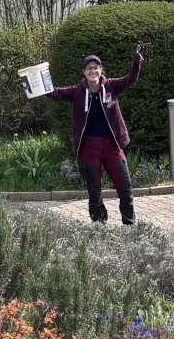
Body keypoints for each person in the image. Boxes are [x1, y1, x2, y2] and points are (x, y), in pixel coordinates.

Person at [45, 43, 145, 224]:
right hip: (89, 148)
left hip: (112, 146)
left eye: (96, 67)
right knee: (94, 192)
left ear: (101, 70)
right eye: (89, 68)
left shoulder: (112, 86)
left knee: (125, 188)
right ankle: (99, 226)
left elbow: (131, 78)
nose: (93, 71)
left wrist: (136, 59)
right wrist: (40, 73)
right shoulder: (77, 92)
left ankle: (129, 225)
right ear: (84, 72)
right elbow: (53, 93)